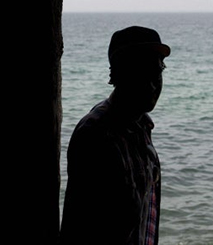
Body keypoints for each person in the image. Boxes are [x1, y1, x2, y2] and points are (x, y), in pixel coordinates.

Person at [59, 26, 170, 245]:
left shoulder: (142, 127)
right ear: (117, 75)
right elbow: (81, 225)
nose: (151, 84)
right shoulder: (96, 134)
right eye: (140, 73)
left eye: (156, 74)